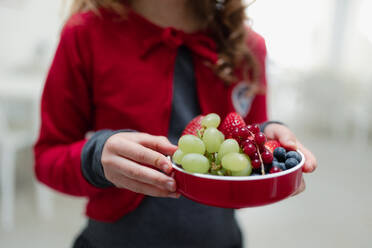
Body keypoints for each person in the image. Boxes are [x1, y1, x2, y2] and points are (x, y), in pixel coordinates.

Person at [34, 0, 317, 247]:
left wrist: (269, 141)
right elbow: (46, 159)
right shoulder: (84, 33)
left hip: (220, 239)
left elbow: (248, 146)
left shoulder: (248, 45)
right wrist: (94, 157)